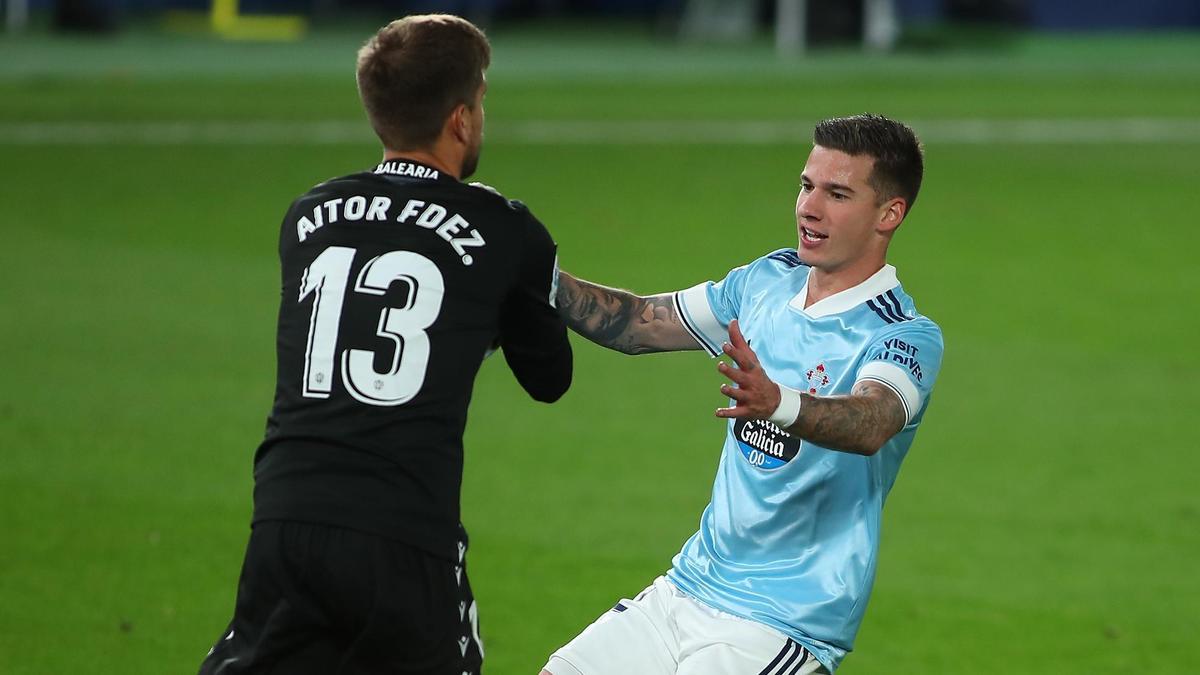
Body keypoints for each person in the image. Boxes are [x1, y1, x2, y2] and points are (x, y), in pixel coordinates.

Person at [199, 15, 572, 675]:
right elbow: (549, 376)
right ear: (460, 119)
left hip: (284, 521)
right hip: (401, 537)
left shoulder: (307, 216)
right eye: (481, 101)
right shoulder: (504, 229)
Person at [540, 114, 943, 675]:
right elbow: (640, 323)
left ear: (889, 213)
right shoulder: (766, 280)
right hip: (689, 585)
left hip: (782, 620)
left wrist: (779, 401)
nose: (809, 207)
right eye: (807, 185)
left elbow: (873, 420)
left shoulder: (900, 334)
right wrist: (538, 274)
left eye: (838, 193)